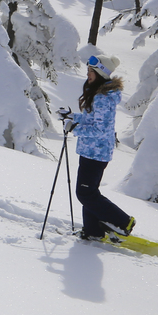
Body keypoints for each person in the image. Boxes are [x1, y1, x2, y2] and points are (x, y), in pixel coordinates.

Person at [58, 54, 136, 242]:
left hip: (97, 152)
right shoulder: (99, 94)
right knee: (89, 192)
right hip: (91, 151)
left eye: (92, 71)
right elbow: (92, 120)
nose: (88, 74)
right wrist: (73, 117)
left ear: (101, 72)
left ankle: (124, 222)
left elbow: (101, 130)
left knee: (85, 193)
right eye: (88, 70)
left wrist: (75, 128)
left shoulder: (103, 98)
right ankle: (92, 231)